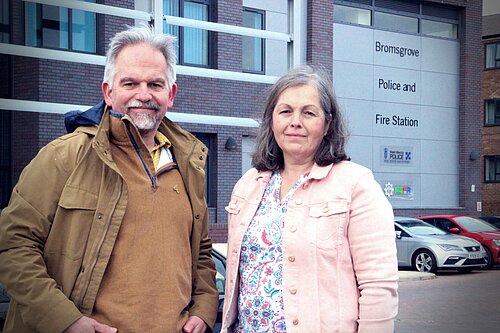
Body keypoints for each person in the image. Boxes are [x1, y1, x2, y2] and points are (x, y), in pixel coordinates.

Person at [0, 25, 218, 333]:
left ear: (170, 95)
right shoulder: (65, 156)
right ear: (108, 91)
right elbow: (13, 245)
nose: (144, 95)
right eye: (130, 82)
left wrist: (205, 308)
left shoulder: (189, 163)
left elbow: (202, 251)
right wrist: (65, 320)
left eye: (155, 84)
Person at [221, 65, 398, 333]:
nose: (295, 122)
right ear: (272, 120)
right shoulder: (248, 184)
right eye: (285, 111)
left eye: (308, 113)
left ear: (328, 124)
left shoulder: (356, 186)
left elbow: (378, 286)